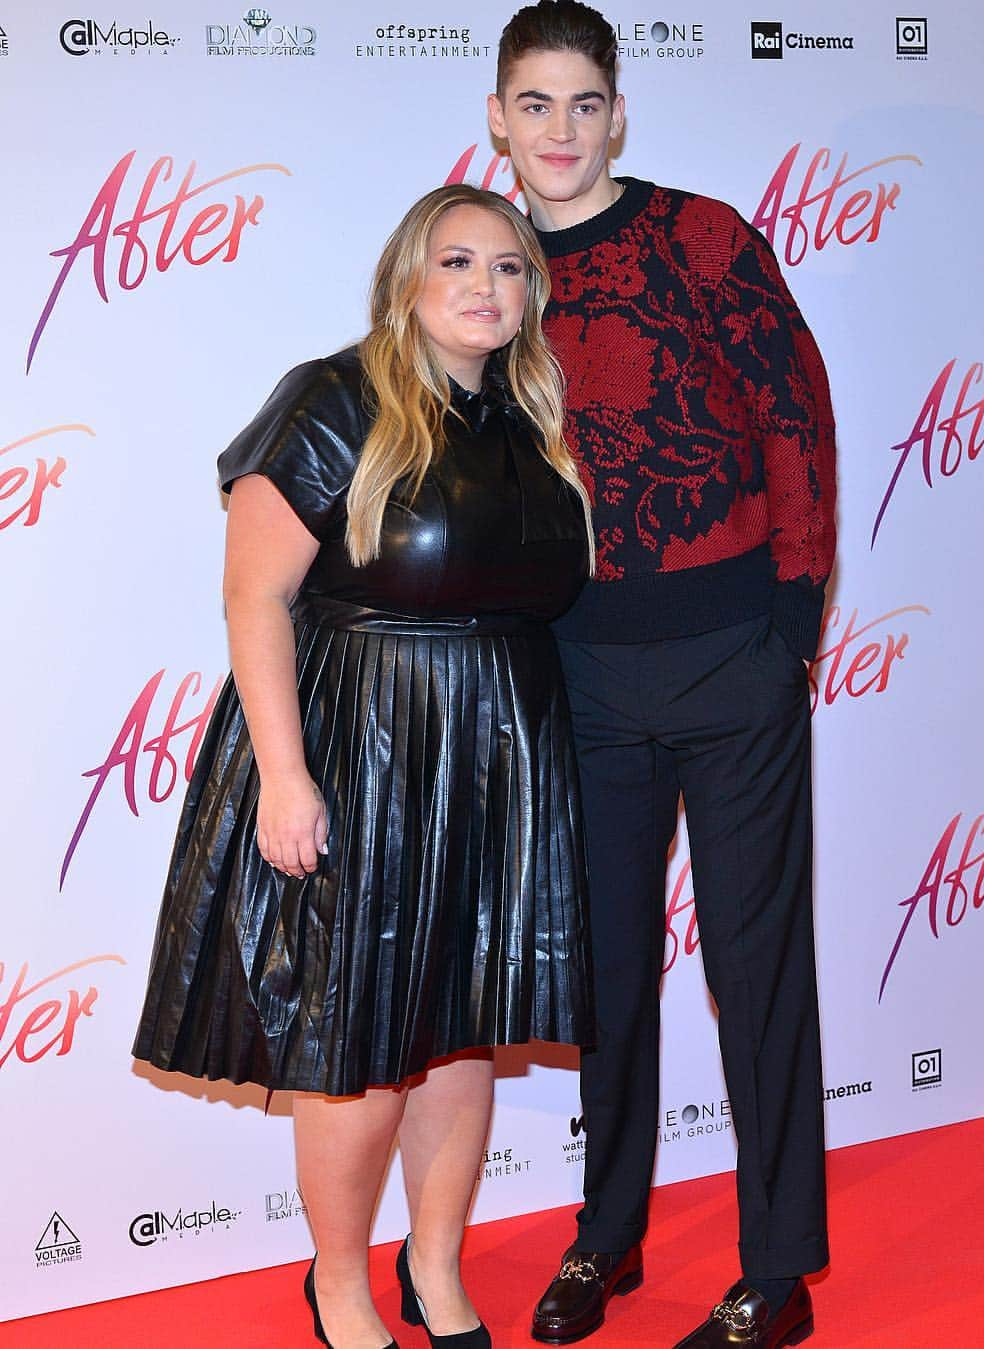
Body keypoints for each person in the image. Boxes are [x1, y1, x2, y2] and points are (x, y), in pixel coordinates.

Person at [132, 183, 595, 1349]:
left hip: (497, 752)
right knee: (361, 1039)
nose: (487, 286)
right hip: (363, 745)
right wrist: (286, 777)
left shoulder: (532, 418)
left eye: (511, 267)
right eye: (459, 262)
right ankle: (339, 1281)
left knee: (461, 1030)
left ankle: (434, 1266)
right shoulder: (334, 398)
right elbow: (256, 594)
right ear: (407, 278)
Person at [487, 5, 837, 1347]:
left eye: (585, 104)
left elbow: (794, 412)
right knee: (607, 971)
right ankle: (606, 1238)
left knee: (755, 967)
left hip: (734, 660)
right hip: (582, 676)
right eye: (536, 104)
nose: (562, 131)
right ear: (500, 121)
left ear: (617, 116)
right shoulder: (492, 271)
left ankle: (779, 1270)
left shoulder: (704, 237)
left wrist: (792, 621)